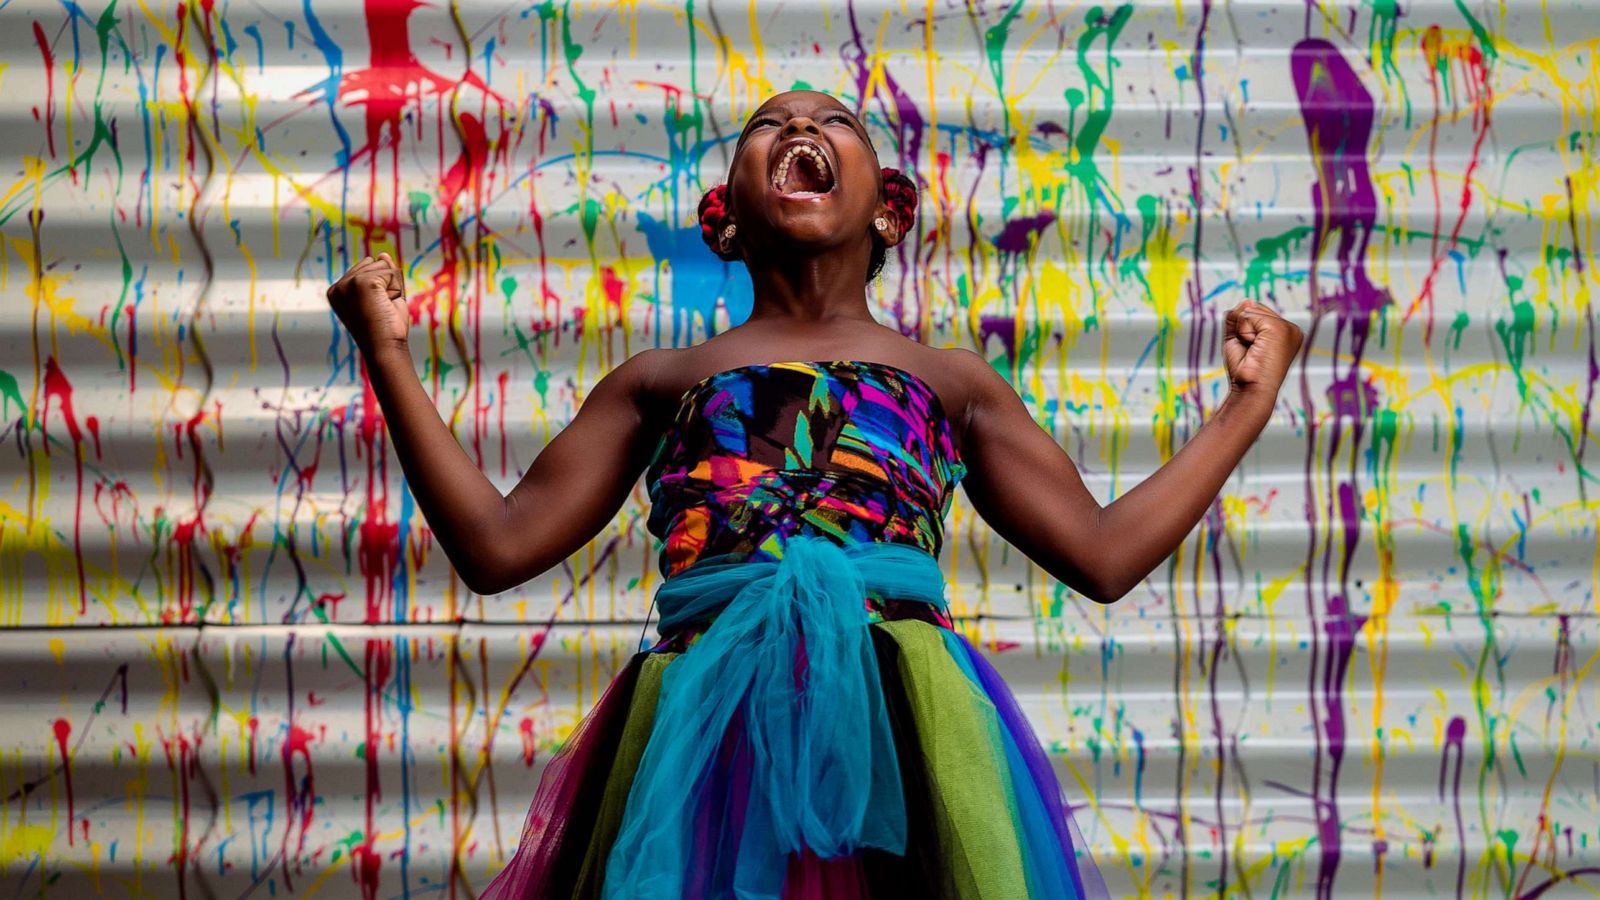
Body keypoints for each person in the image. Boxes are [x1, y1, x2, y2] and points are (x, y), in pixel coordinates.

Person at [326, 90, 1303, 899]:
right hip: (705, 739)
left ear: (888, 207)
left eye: (832, 121)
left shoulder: (950, 382)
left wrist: (1243, 410)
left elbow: (1101, 554)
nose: (798, 130)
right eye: (767, 125)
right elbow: (497, 547)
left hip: (898, 726)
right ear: (726, 217)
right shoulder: (658, 381)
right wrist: (389, 356)